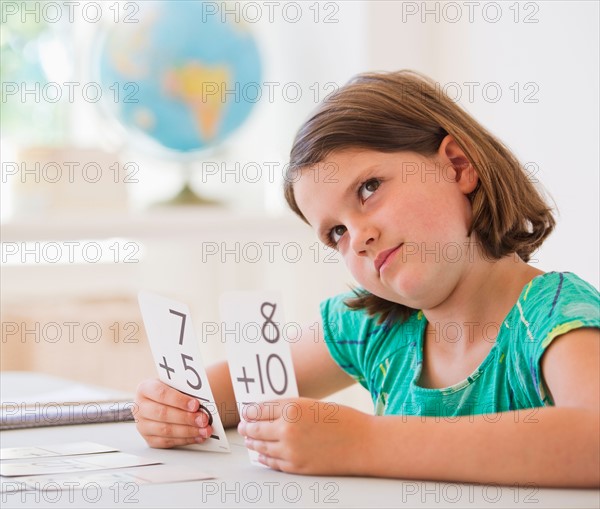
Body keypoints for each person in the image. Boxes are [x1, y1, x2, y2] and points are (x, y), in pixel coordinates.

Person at [135, 70, 599, 487]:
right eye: (335, 232)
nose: (358, 237)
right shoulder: (374, 325)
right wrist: (174, 408)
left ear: (457, 165)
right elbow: (229, 395)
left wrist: (364, 442)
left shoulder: (553, 315)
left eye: (369, 189)